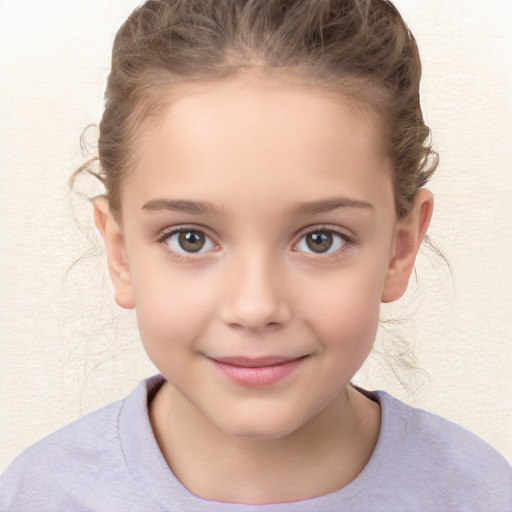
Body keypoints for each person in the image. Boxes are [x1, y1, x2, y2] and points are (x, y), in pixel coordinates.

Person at [1, 0, 510, 510]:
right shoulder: (38, 495)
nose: (254, 307)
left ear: (400, 250)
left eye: (320, 239)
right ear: (120, 253)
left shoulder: (483, 494)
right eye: (190, 239)